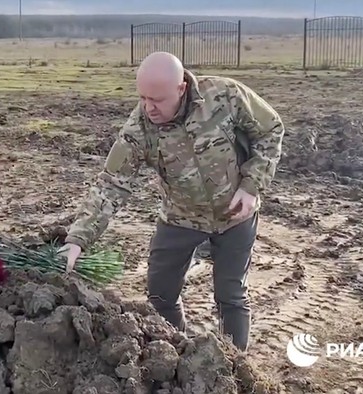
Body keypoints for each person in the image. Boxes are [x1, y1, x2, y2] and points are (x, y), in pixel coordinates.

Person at [58, 51, 284, 352]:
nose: (148, 108)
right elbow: (111, 185)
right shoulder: (139, 129)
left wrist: (252, 185)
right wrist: (77, 241)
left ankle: (232, 367)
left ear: (181, 88)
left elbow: (270, 130)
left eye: (158, 100)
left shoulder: (225, 96)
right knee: (161, 295)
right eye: (143, 98)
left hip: (235, 215)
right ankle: (177, 354)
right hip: (180, 218)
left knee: (231, 296)